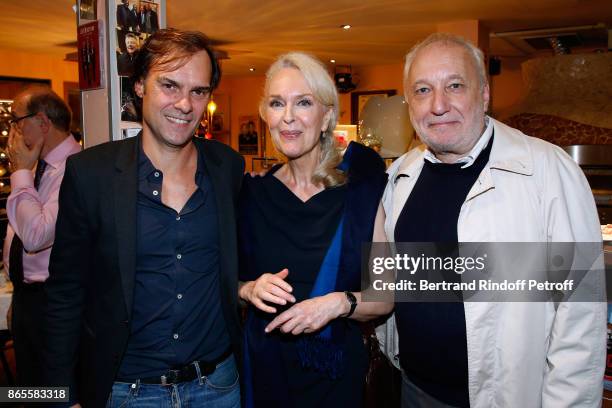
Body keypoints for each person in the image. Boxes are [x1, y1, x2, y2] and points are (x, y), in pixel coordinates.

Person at [377, 33, 605, 407]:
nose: (438, 105)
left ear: (484, 93)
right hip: (414, 388)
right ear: (409, 104)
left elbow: (580, 313)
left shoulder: (547, 171)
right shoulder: (401, 175)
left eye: (454, 85)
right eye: (422, 90)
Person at [43, 28, 244, 408]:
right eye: (169, 85)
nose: (185, 104)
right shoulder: (91, 174)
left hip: (218, 386)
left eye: (198, 91)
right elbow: (64, 295)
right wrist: (58, 397)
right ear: (139, 87)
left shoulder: (227, 167)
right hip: (126, 393)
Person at [238, 52, 392, 408]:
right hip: (264, 370)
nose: (288, 117)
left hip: (336, 373)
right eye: (277, 104)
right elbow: (223, 283)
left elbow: (386, 295)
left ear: (326, 117)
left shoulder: (364, 191)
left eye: (303, 103)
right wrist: (247, 289)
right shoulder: (249, 195)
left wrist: (338, 303)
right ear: (266, 116)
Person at [3, 86, 81, 387]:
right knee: (30, 390)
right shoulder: (37, 168)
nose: (12, 132)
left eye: (16, 121)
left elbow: (35, 235)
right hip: (28, 297)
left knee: (54, 391)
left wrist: (20, 172)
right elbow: (20, 234)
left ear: (43, 123)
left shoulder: (75, 170)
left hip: (54, 304)